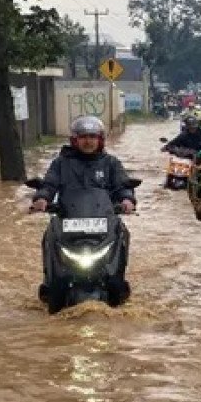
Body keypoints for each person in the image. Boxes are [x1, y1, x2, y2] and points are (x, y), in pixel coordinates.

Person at [32, 116, 136, 301]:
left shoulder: (110, 163)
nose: (88, 141)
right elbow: (49, 184)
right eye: (83, 137)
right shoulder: (61, 163)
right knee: (49, 234)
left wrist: (127, 200)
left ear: (100, 139)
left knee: (122, 233)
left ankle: (118, 280)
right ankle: (50, 280)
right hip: (68, 220)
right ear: (75, 140)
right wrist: (42, 199)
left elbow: (122, 186)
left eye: (92, 137)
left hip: (103, 221)